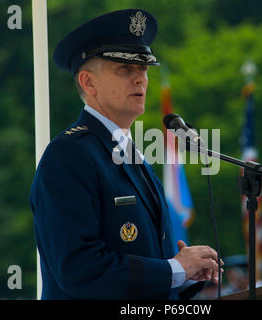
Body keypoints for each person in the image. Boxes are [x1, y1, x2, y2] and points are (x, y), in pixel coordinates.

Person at [30, 9, 223, 300]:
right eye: (125, 69)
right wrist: (173, 270)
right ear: (88, 82)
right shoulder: (68, 156)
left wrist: (184, 275)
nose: (140, 80)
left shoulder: (133, 155)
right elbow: (79, 270)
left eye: (144, 69)